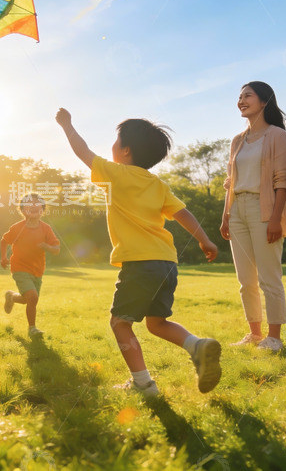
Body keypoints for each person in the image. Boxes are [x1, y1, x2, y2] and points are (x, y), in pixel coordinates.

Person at [55, 108, 221, 396]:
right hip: (166, 262)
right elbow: (183, 213)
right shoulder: (158, 184)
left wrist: (67, 125)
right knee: (157, 323)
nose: (112, 146)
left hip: (139, 262)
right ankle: (197, 345)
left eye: (116, 140)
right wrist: (205, 240)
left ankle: (143, 384)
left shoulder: (115, 173)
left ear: (126, 150)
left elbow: (82, 151)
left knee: (120, 323)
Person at [220, 81, 286, 352]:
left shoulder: (278, 136)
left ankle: (274, 338)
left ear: (264, 101)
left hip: (263, 209)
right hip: (237, 210)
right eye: (239, 96)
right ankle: (254, 334)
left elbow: (283, 180)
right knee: (246, 280)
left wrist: (275, 219)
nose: (241, 101)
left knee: (269, 277)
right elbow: (231, 181)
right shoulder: (237, 140)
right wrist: (226, 215)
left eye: (247, 96)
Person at [1, 193, 60, 337]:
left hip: (37, 270)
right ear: (22, 210)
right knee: (32, 297)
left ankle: (11, 297)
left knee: (28, 299)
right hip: (19, 268)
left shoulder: (46, 228)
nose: (33, 206)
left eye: (36, 203)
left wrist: (46, 246)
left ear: (42, 209)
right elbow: (4, 240)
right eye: (29, 203)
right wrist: (3, 257)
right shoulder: (17, 227)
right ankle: (32, 328)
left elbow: (56, 249)